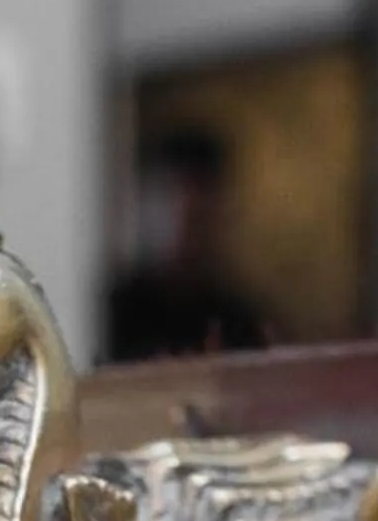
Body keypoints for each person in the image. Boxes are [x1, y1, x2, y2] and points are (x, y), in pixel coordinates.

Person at [105, 126, 272, 360]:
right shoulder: (108, 313)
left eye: (198, 218)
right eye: (171, 211)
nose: (182, 231)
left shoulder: (239, 322)